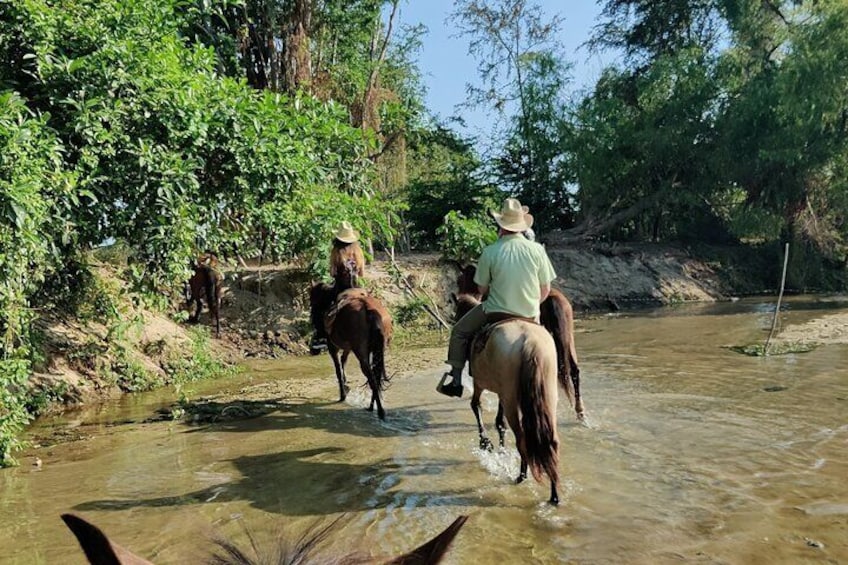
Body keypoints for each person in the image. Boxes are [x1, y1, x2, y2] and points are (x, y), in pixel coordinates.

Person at [437, 198, 556, 398]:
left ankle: (456, 379)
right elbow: (545, 289)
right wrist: (531, 306)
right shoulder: (537, 250)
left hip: (495, 312)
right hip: (530, 314)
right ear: (521, 226)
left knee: (458, 332)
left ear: (501, 225)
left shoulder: (490, 251)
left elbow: (481, 289)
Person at [310, 221, 367, 353]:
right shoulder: (358, 250)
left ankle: (320, 337)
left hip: (342, 288)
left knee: (320, 304)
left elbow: (332, 273)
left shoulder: (337, 251)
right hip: (358, 287)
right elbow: (362, 273)